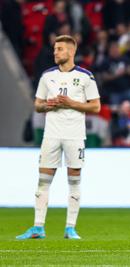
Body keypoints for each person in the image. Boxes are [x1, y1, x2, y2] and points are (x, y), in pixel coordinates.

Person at [16, 35, 101, 240]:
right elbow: (37, 105)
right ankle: (38, 227)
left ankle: (70, 228)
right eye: (55, 49)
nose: (55, 52)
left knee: (74, 181)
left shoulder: (85, 77)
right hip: (51, 135)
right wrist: (48, 105)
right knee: (43, 181)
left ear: (71, 52)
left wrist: (71, 103)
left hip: (74, 135)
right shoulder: (47, 76)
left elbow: (96, 106)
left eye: (60, 49)